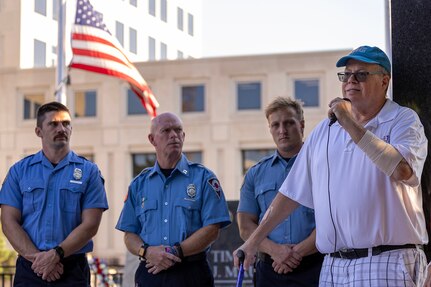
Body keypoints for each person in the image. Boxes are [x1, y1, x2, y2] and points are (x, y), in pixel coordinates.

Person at [233, 46, 428, 286]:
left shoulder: (403, 120)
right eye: (346, 75)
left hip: (385, 259)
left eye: (361, 74)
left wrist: (348, 121)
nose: (350, 80)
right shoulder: (324, 132)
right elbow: (290, 194)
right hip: (334, 267)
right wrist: (253, 242)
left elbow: (402, 169)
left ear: (384, 81)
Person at [115, 112, 231, 287]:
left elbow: (212, 229)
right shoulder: (139, 184)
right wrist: (146, 251)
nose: (174, 135)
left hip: (191, 273)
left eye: (178, 130)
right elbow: (129, 234)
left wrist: (175, 251)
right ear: (152, 139)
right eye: (166, 130)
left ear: (184, 136)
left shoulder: (203, 178)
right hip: (150, 271)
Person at [0, 101, 109, 286]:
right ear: (38, 131)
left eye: (66, 124)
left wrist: (56, 254)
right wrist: (39, 261)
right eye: (53, 124)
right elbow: (8, 221)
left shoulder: (89, 172)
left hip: (72, 269)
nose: (61, 128)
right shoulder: (19, 171)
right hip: (30, 268)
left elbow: (90, 224)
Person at [237, 97, 323, 286]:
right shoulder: (255, 173)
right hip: (270, 269)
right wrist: (275, 251)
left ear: (301, 125)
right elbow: (245, 225)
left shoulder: (322, 166)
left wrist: (296, 253)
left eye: (289, 123)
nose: (282, 130)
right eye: (275, 125)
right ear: (270, 129)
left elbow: (332, 218)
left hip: (316, 266)